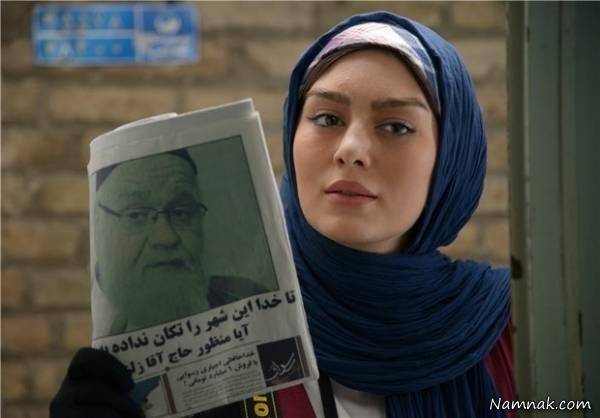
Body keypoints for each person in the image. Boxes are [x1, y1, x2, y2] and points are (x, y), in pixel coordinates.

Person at [51, 11, 513, 418]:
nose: (351, 149)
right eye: (327, 119)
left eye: (395, 126)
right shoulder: (204, 319)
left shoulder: (512, 329)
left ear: (451, 160)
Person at [93, 149, 266, 337]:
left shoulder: (248, 299)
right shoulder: (83, 323)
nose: (166, 238)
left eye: (181, 213)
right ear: (99, 224)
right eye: (136, 215)